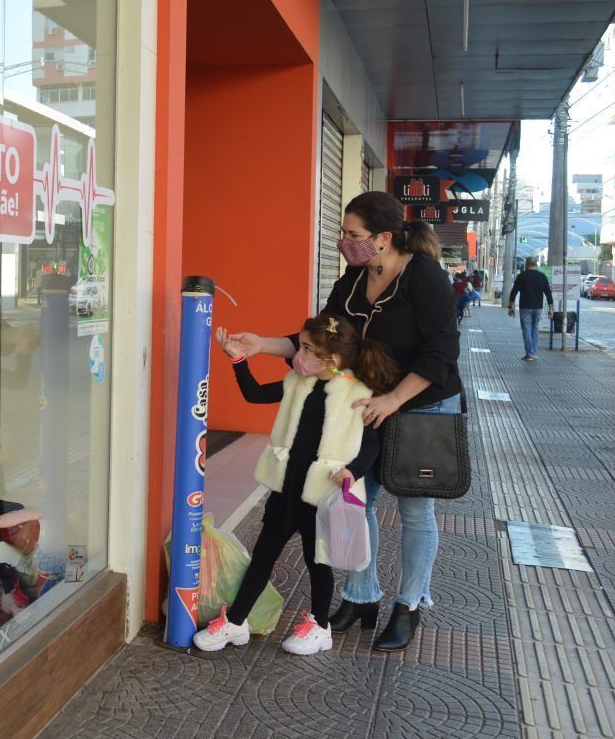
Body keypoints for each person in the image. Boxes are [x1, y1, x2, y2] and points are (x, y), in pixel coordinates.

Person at [224, 191, 461, 651]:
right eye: (344, 233)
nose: (343, 243)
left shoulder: (424, 278)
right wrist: (262, 346)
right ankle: (362, 594)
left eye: (353, 235)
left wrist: (394, 398)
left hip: (422, 405)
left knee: (415, 509)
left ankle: (409, 604)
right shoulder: (354, 277)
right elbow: (323, 339)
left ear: (384, 238)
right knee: (356, 500)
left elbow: (442, 353)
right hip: (368, 405)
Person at [193, 315, 397, 656]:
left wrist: (352, 472)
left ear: (331, 360)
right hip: (286, 487)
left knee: (317, 560)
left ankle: (320, 627)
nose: (297, 356)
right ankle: (237, 621)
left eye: (306, 350)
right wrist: (238, 360)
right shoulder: (296, 381)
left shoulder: (357, 393)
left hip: (321, 493)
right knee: (263, 554)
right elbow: (255, 395)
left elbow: (372, 443)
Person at [508, 257, 553, 361]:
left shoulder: (522, 276)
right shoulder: (542, 276)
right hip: (538, 307)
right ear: (536, 264)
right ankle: (533, 352)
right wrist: (550, 309)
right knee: (535, 328)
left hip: (525, 307)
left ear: (526, 265)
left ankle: (529, 354)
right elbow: (548, 293)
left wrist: (511, 307)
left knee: (526, 329)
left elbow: (513, 292)